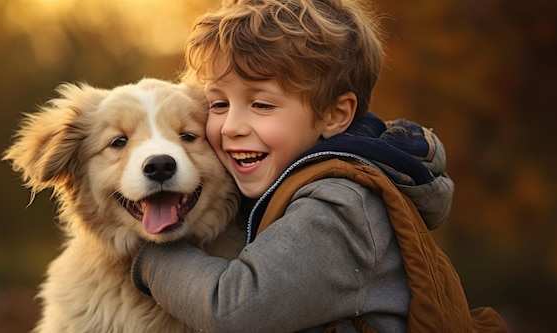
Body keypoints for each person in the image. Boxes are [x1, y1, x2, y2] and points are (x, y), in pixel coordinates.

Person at [131, 0, 508, 332]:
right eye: (218, 104)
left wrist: (149, 257)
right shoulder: (288, 182)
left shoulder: (341, 204)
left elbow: (236, 308)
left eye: (261, 104)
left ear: (334, 115)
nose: (231, 126)